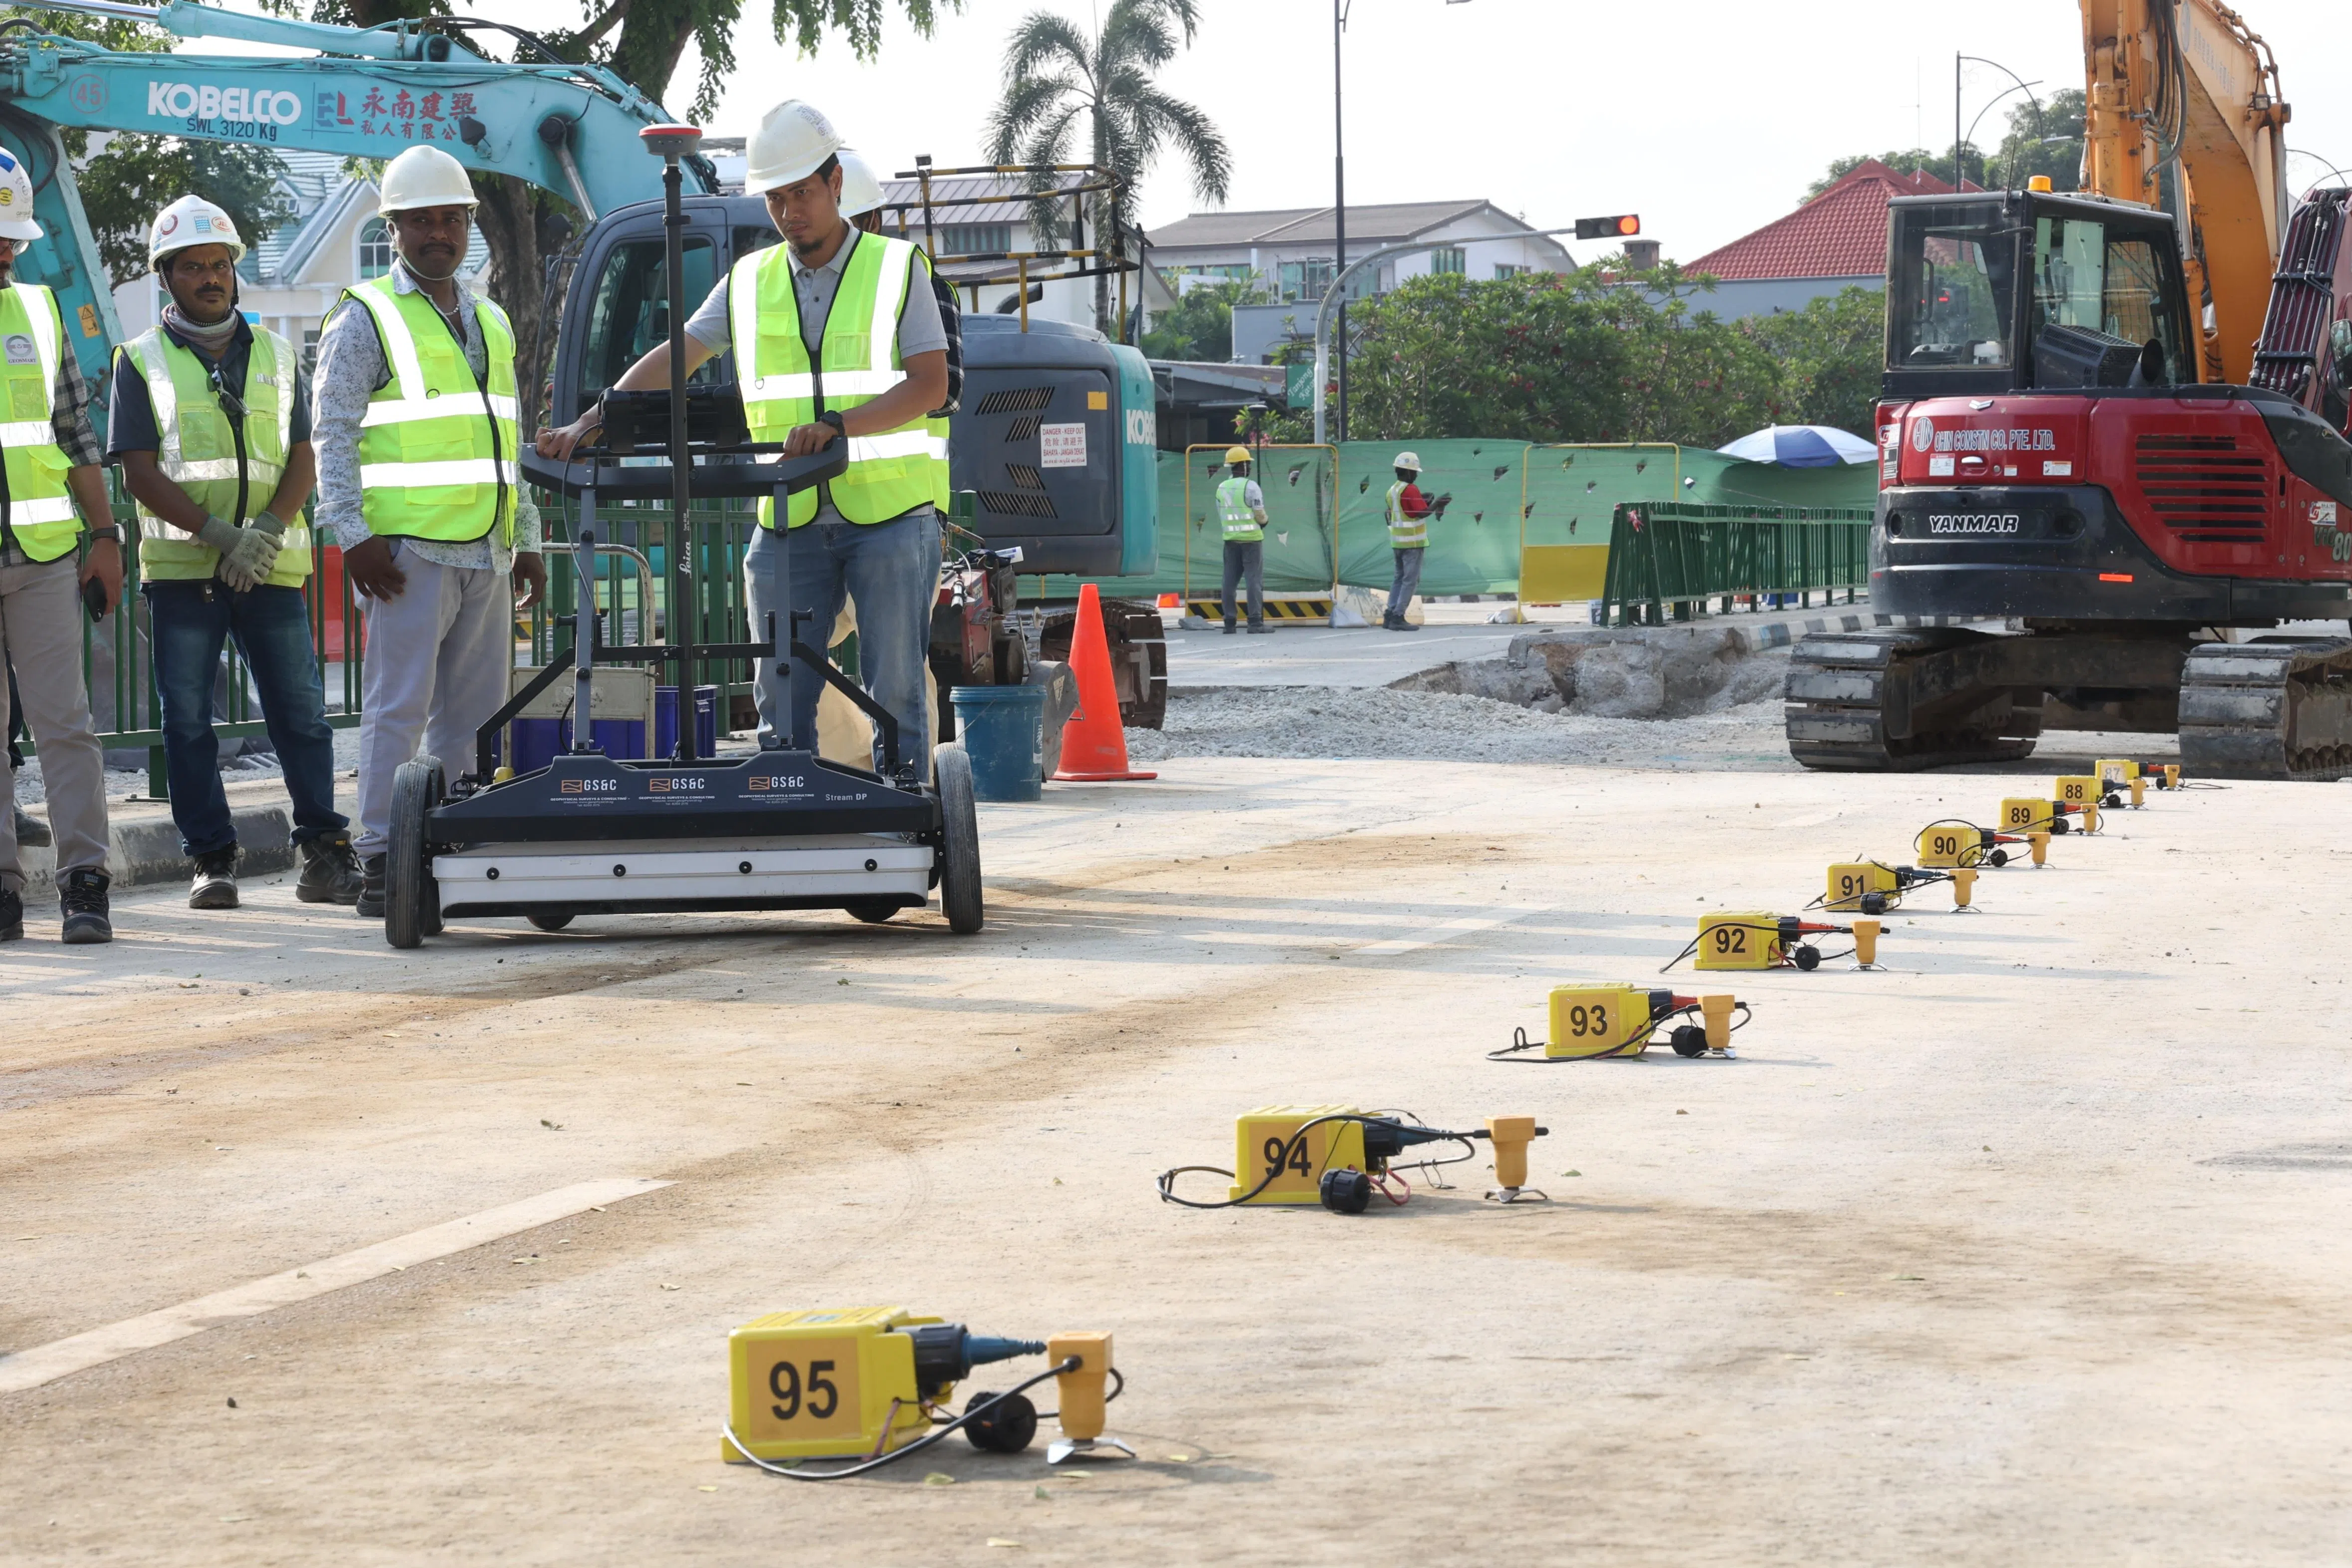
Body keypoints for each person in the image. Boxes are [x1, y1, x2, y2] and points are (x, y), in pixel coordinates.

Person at [537, 101, 949, 778]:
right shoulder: (749, 282)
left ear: (834, 183)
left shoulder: (898, 268)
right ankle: (785, 801)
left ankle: (903, 810)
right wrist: (591, 421)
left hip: (890, 514)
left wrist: (838, 427)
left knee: (896, 687)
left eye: (802, 193)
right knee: (779, 689)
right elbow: (679, 353)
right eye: (777, 198)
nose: (790, 212)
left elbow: (930, 385)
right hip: (787, 516)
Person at [109, 196, 363, 910]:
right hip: (185, 572)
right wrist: (222, 537)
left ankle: (324, 853)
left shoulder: (278, 355)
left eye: (219, 264)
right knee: (188, 723)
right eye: (193, 267)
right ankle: (211, 860)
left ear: (234, 270)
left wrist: (268, 531)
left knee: (301, 716)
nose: (210, 277)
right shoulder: (140, 360)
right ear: (167, 277)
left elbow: (304, 453)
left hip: (270, 568)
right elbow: (138, 472)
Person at [312, 145, 545, 918]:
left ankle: (458, 845)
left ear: (468, 225)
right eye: (421, 221)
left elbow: (506, 438)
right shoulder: (365, 315)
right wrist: (352, 535)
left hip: (487, 547)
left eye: (451, 219)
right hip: (406, 554)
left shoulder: (491, 320)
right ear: (395, 229)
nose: (438, 232)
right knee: (397, 710)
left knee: (475, 718)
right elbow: (332, 431)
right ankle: (383, 857)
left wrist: (527, 534)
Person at [0, 144, 124, 943]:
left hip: (43, 555)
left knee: (65, 726)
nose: (5, 249)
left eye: (11, 237)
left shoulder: (41, 313)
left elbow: (77, 435)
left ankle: (86, 881)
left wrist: (106, 535)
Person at [1214, 444, 1270, 634]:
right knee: (1254, 581)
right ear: (1242, 465)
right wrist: (1265, 522)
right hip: (1252, 541)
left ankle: (1229, 623)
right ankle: (1255, 622)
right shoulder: (1251, 486)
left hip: (1230, 541)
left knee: (1229, 581)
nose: (1250, 467)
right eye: (1248, 463)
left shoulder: (1221, 488)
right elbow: (1259, 513)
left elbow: (1221, 512)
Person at [1383, 450, 1435, 632]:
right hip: (1413, 544)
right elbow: (1421, 513)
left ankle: (1390, 614)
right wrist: (1437, 504)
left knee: (1398, 578)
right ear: (1408, 472)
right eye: (1414, 472)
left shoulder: (1392, 491)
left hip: (1398, 543)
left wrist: (1425, 502)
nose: (1416, 476)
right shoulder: (1411, 489)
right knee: (1410, 581)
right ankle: (1398, 616)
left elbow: (1404, 511)